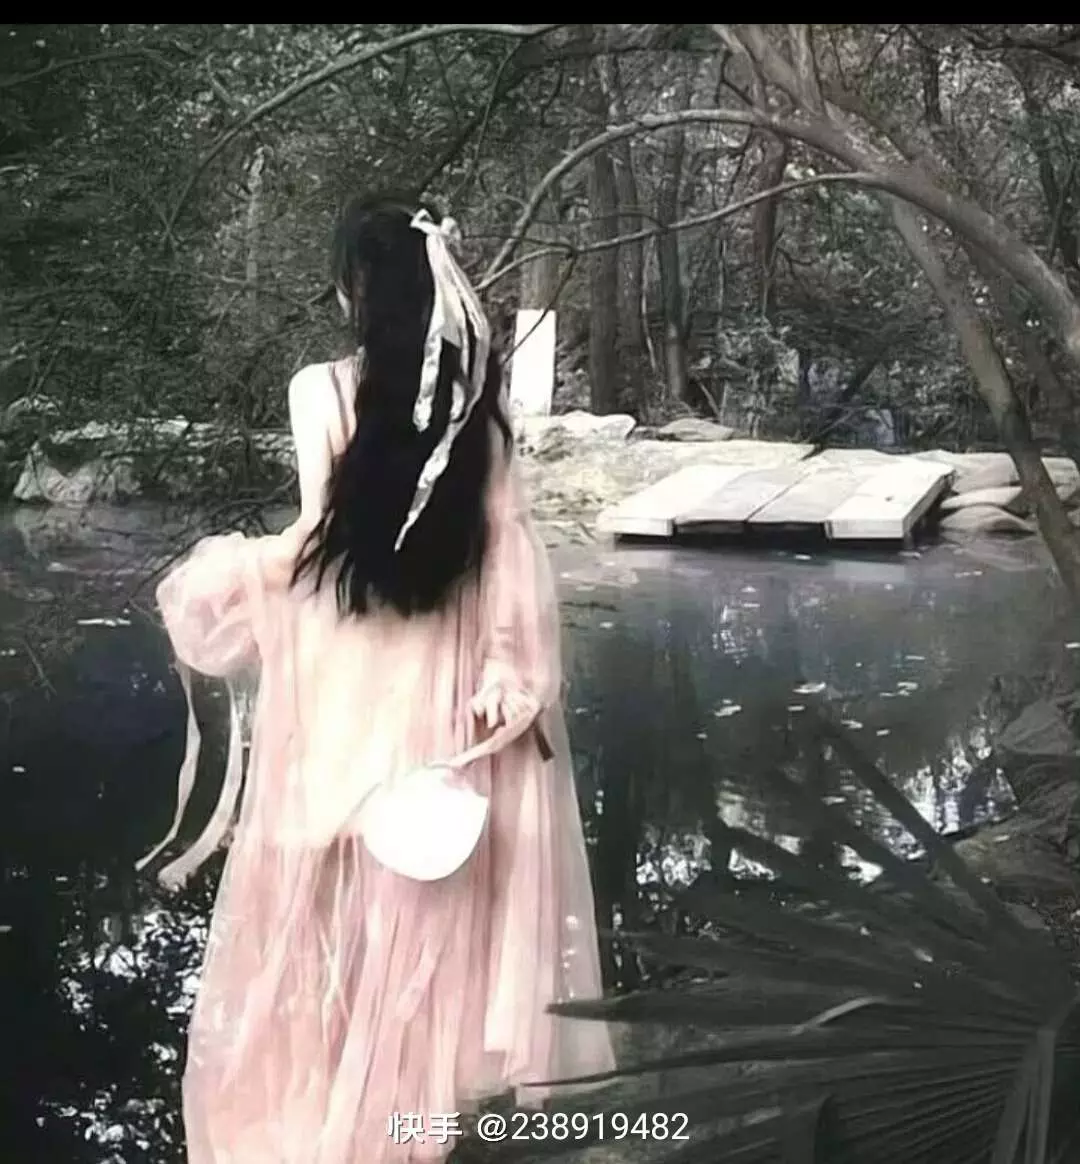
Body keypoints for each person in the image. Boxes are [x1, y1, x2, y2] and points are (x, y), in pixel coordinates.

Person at [139, 197, 615, 1162]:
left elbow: (320, 541)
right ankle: (413, 1120)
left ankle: (349, 1116)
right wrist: (504, 664)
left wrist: (226, 579)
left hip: (344, 675)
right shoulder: (474, 409)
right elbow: (507, 549)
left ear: (355, 291)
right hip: (444, 673)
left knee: (332, 902)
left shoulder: (318, 390)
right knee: (425, 899)